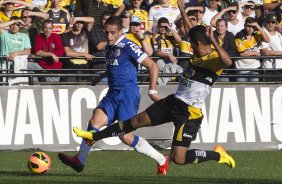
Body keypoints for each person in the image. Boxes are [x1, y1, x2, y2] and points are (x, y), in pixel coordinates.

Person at [72, 25, 236, 171]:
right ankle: (93, 136)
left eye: (192, 45)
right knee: (134, 122)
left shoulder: (215, 60)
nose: (190, 49)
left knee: (178, 159)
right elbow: (190, 29)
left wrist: (213, 39)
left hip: (189, 113)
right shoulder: (199, 52)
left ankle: (218, 155)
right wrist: (180, 7)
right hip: (173, 102)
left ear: (198, 44)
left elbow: (228, 62)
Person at [58, 15, 169, 175]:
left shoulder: (128, 45)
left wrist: (152, 91)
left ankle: (161, 159)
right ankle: (80, 160)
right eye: (106, 32)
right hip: (112, 94)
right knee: (94, 121)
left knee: (125, 137)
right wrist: (100, 77)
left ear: (120, 31)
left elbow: (153, 66)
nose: (108, 36)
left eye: (112, 33)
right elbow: (115, 65)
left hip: (127, 96)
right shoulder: (110, 46)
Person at [61, 14, 95, 82]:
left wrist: (77, 18)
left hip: (85, 65)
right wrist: (83, 54)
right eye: (77, 22)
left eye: (81, 22)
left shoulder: (85, 31)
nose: (79, 24)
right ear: (73, 23)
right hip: (71, 65)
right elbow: (68, 53)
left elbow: (92, 20)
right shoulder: (66, 35)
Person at [234, 17, 269, 82]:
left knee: (253, 89)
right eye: (248, 26)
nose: (250, 29)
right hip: (242, 69)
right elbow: (242, 53)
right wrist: (255, 53)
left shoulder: (256, 33)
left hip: (255, 68)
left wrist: (258, 27)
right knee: (240, 90)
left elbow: (267, 40)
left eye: (253, 27)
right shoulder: (239, 35)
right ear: (244, 26)